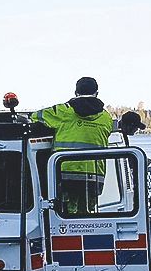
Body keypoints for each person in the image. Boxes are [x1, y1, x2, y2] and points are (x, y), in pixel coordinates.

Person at [30, 77, 113, 214]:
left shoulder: (63, 111)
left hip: (65, 173)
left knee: (66, 216)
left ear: (76, 92)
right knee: (87, 216)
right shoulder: (106, 118)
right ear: (97, 93)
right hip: (94, 176)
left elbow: (35, 116)